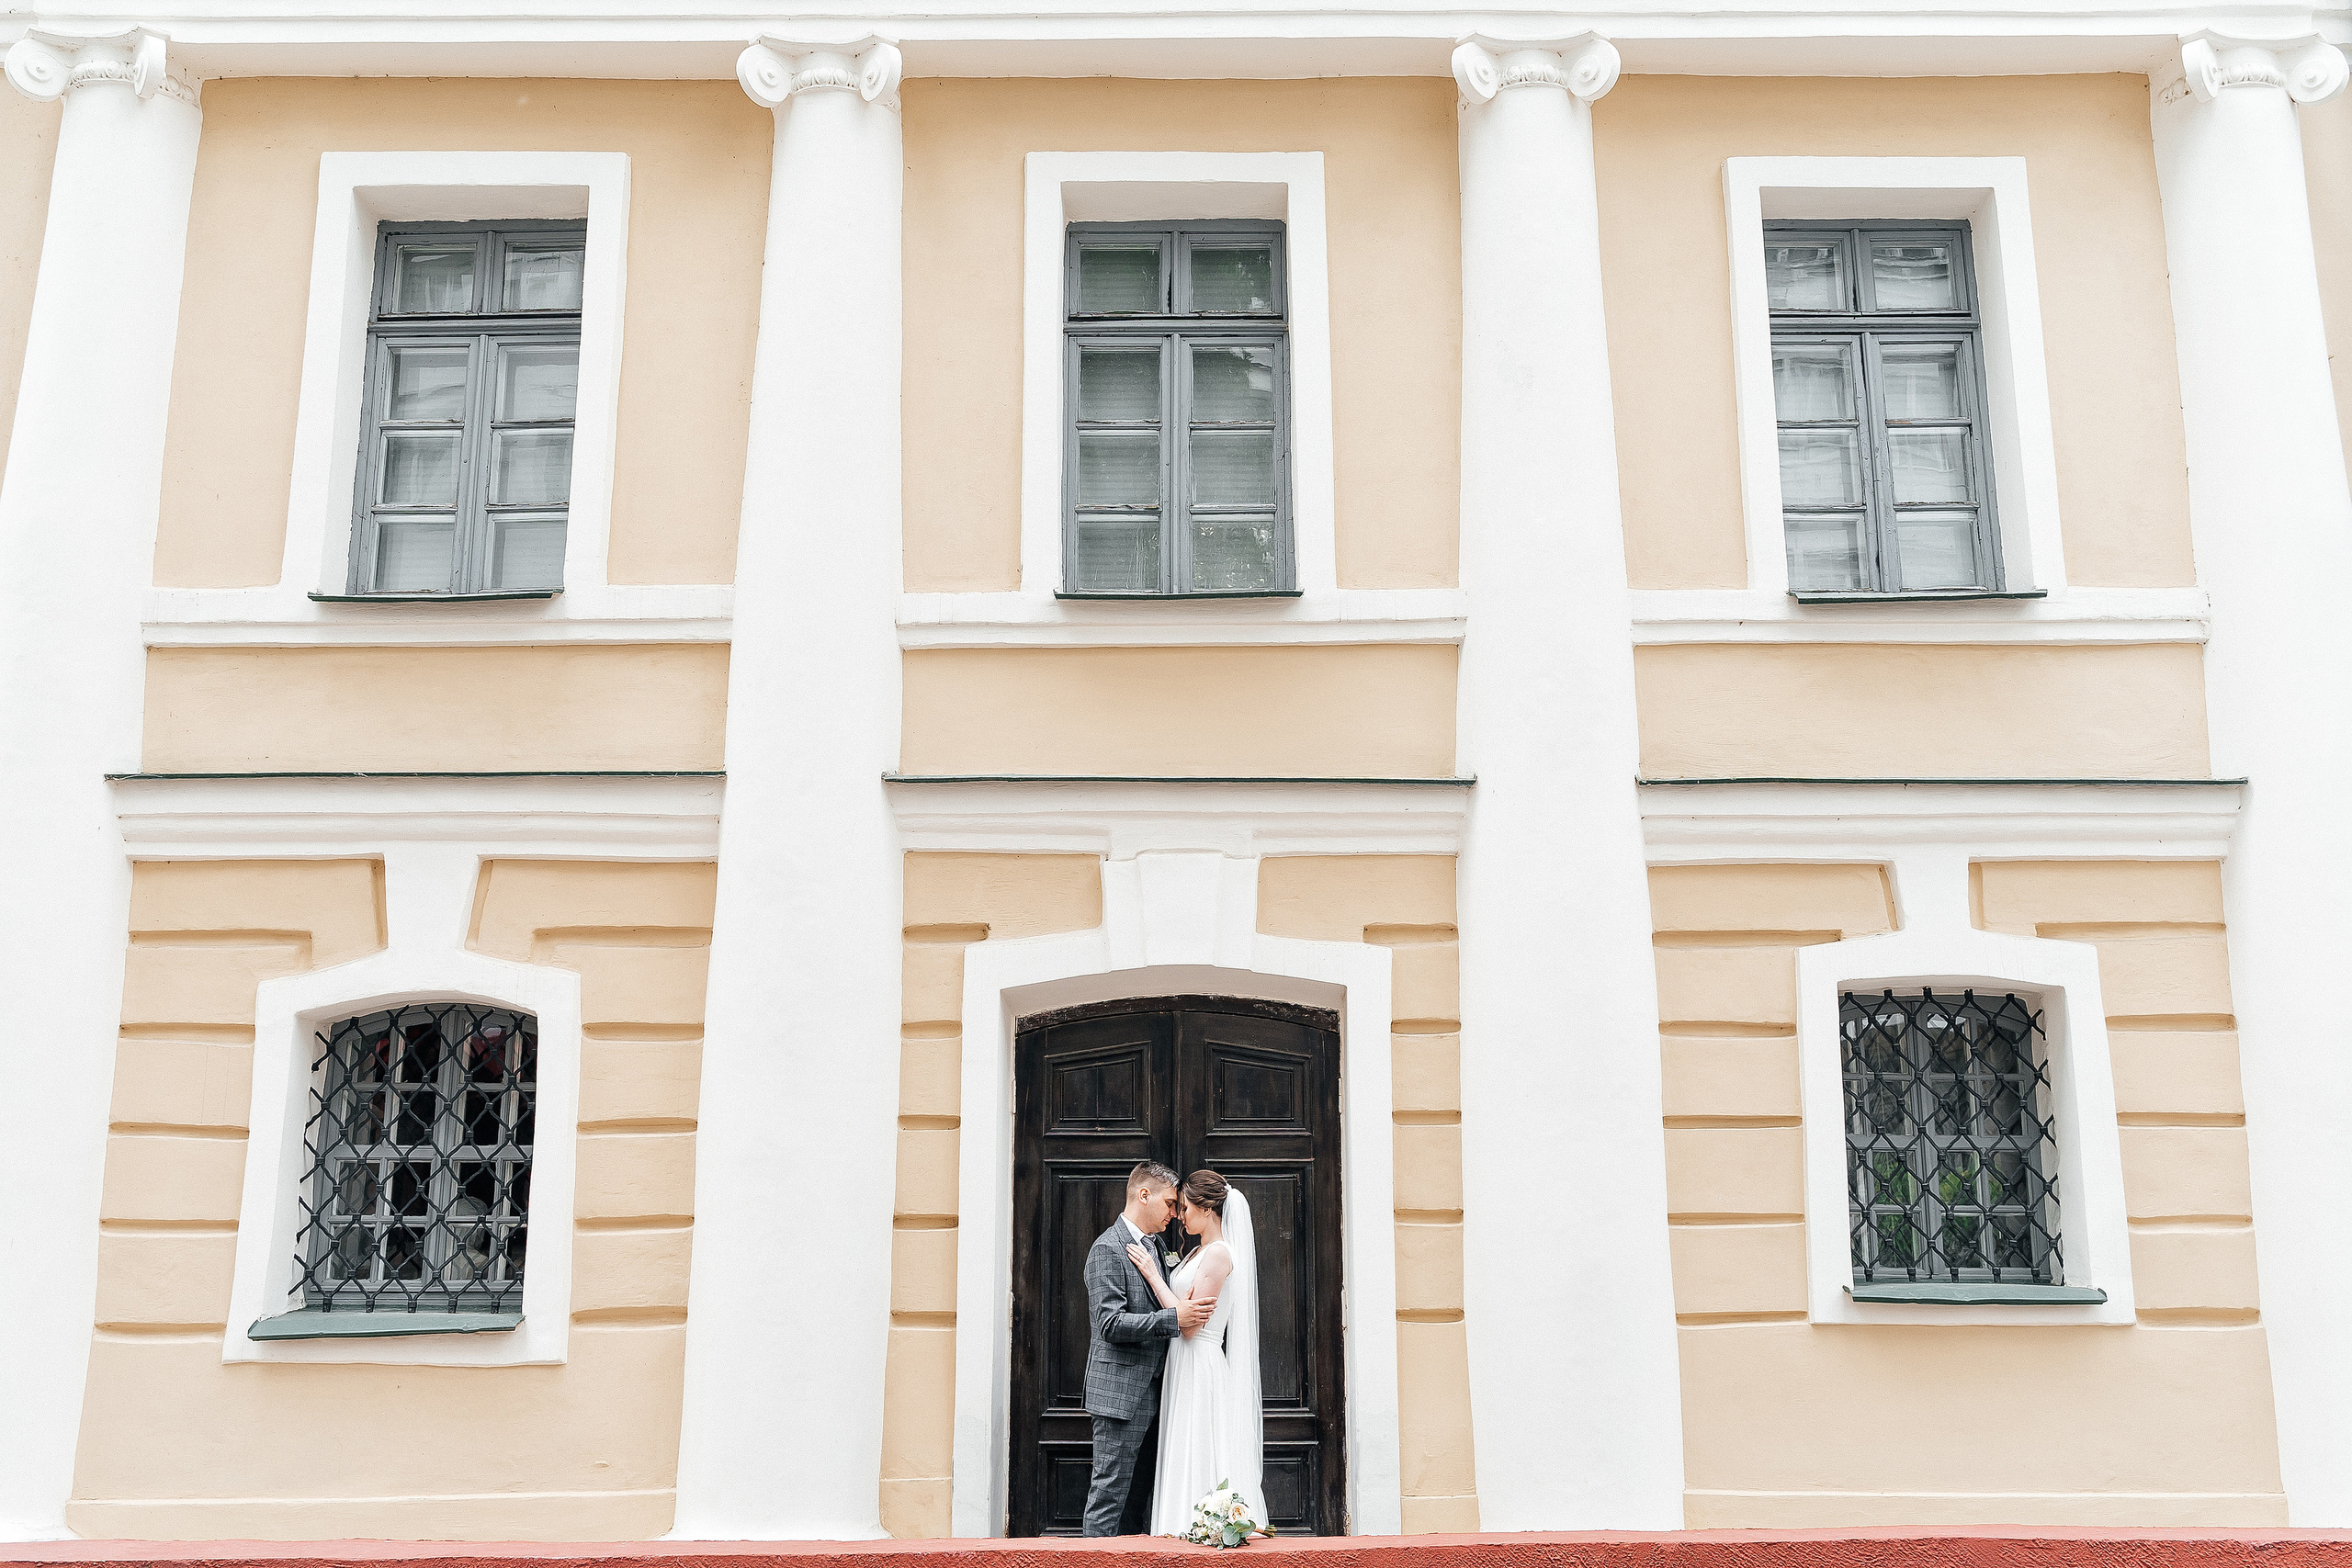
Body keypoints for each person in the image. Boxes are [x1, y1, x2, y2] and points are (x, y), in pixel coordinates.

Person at [1125, 1168, 1265, 1538]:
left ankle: (1200, 1528)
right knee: (1181, 1444)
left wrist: (1154, 1275)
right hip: (1182, 1360)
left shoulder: (1218, 1255)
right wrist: (1174, 1298)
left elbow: (1190, 1325)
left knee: (1198, 1443)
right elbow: (1181, 1310)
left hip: (1199, 1360)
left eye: (1185, 1208)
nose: (1180, 1216)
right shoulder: (1197, 1253)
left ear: (1207, 1209)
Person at [1081, 1161, 1218, 1537]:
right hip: (1121, 1397)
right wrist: (1175, 1319)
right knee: (1109, 1496)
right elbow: (1110, 1324)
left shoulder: (1157, 1247)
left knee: (1143, 1501)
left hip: (1164, 1393)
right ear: (1144, 1195)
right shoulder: (1106, 1249)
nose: (1175, 1215)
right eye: (1171, 1204)